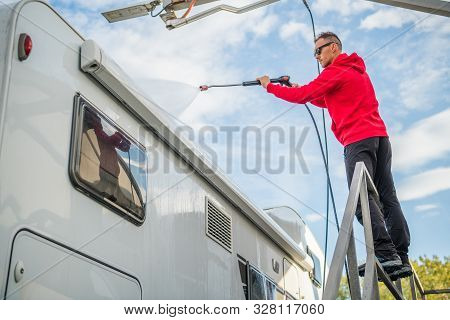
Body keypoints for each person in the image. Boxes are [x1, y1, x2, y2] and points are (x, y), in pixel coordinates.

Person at [257, 31, 411, 280]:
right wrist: (305, 90)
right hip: (379, 139)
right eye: (314, 52)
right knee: (388, 197)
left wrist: (269, 86)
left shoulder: (334, 71)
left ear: (334, 48)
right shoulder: (354, 70)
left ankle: (385, 252)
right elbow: (329, 99)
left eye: (319, 50)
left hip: (358, 140)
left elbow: (302, 96)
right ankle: (401, 257)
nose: (316, 56)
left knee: (362, 200)